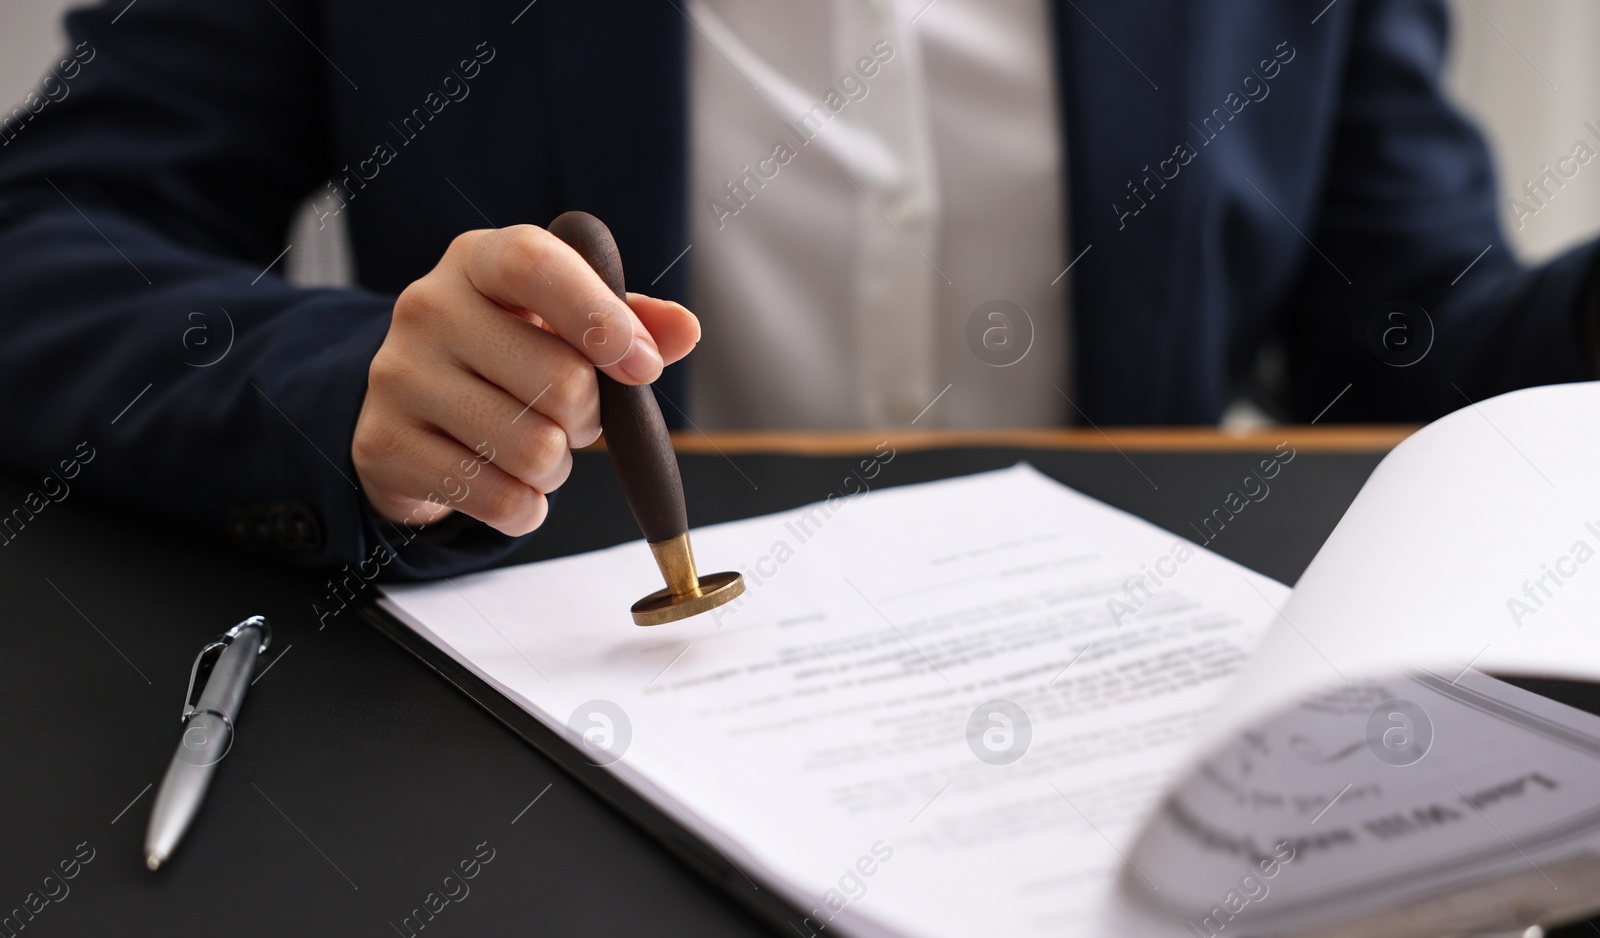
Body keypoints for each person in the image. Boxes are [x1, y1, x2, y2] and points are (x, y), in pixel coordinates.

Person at [0, 0, 1593, 580]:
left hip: (1125, 754)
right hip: (545, 774)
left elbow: (1419, 344)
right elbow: (44, 243)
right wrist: (344, 388)